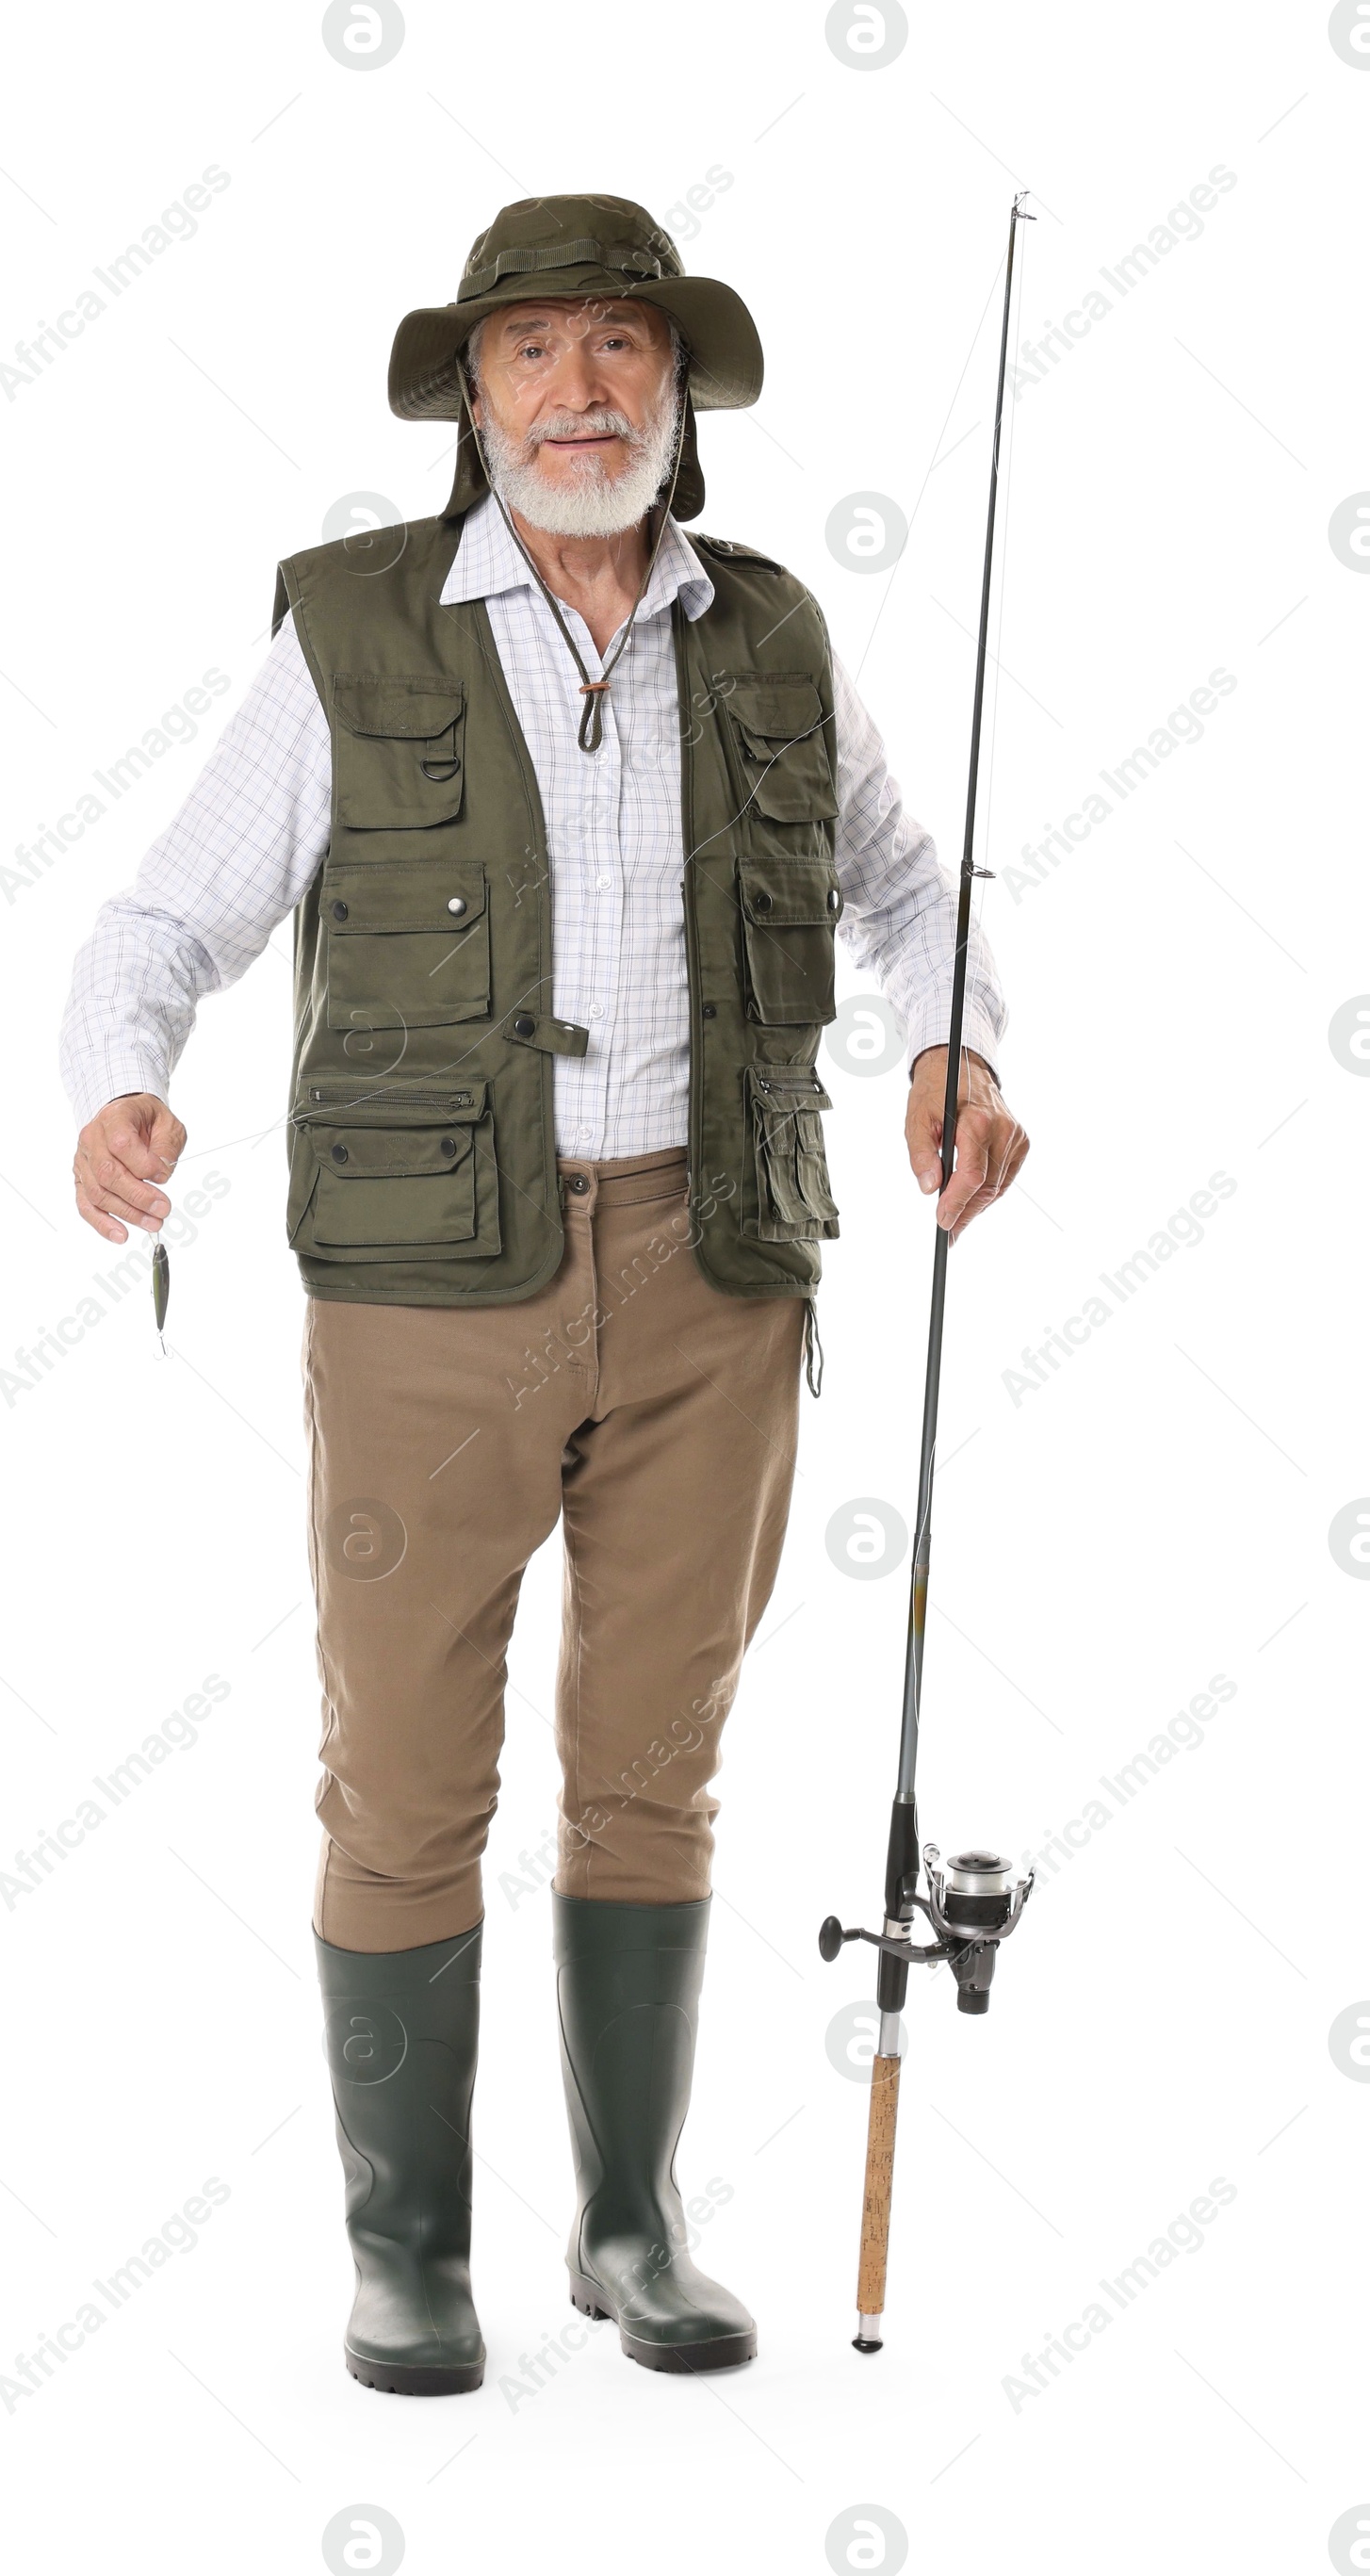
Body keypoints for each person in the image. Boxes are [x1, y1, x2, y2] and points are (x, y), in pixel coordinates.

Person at [60, 193, 1028, 2396]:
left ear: (675, 395)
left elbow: (904, 881)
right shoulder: (350, 629)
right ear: (469, 397)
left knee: (652, 1765)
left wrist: (961, 1040)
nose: (575, 391)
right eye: (529, 354)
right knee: (399, 1773)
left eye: (617, 348)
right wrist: (122, 1089)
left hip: (720, 1270)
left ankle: (625, 2217)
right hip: (426, 1296)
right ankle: (404, 2245)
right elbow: (163, 917)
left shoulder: (768, 634)